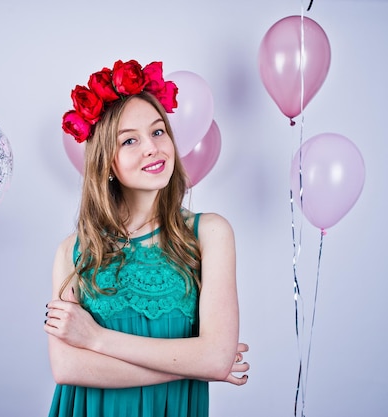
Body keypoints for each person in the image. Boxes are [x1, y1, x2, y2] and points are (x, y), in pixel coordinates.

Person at [44, 59, 249, 417]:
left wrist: (96, 339)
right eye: (129, 141)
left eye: (158, 132)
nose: (152, 148)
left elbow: (216, 358)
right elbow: (67, 369)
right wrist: (195, 362)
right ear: (107, 163)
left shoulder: (209, 233)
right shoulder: (73, 251)